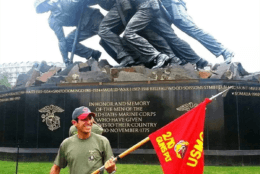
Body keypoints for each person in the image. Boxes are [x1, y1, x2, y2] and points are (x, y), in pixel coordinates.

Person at [161, 0, 235, 64]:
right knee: (166, 35)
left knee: (194, 30)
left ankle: (224, 51)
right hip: (164, 8)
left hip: (173, 5)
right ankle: (181, 59)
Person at [34, 0, 104, 66]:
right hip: (83, 27)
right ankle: (92, 54)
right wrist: (66, 60)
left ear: (45, 2)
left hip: (93, 18)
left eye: (41, 8)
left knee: (108, 37)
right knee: (68, 43)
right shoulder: (53, 21)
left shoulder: (64, 1)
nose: (42, 11)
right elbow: (61, 40)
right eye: (40, 10)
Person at [50, 106, 116, 174]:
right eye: (84, 119)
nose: (89, 122)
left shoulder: (103, 141)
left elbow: (112, 169)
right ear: (74, 123)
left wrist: (112, 168)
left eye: (90, 118)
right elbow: (56, 168)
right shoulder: (66, 144)